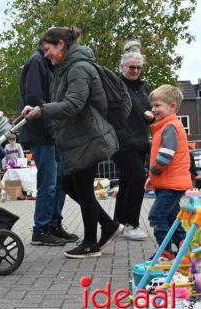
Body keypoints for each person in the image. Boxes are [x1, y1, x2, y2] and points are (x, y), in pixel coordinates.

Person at [22, 26, 123, 258]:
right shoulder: (64, 68)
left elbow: (74, 104)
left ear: (60, 45)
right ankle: (108, 225)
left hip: (87, 136)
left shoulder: (79, 68)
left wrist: (42, 110)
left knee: (83, 189)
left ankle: (90, 244)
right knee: (69, 185)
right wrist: (40, 108)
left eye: (47, 49)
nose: (45, 54)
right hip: (77, 136)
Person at [20, 42, 78, 246]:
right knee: (49, 182)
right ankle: (41, 228)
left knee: (59, 181)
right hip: (42, 134)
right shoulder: (37, 62)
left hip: (52, 134)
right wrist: (53, 123)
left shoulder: (49, 64)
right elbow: (34, 97)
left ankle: (54, 223)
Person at [113, 41, 154, 241]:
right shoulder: (116, 86)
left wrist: (152, 115)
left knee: (127, 181)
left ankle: (119, 222)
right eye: (131, 67)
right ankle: (131, 224)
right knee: (138, 178)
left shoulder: (143, 88)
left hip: (140, 142)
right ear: (122, 67)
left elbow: (149, 110)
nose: (135, 70)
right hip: (122, 141)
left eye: (138, 67)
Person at [145, 85, 191, 260]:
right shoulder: (166, 125)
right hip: (170, 181)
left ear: (172, 106)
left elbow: (166, 154)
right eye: (152, 106)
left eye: (157, 105)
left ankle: (165, 251)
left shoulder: (170, 126)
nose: (153, 109)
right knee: (172, 216)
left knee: (157, 215)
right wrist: (152, 178)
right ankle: (182, 246)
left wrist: (154, 171)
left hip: (172, 182)